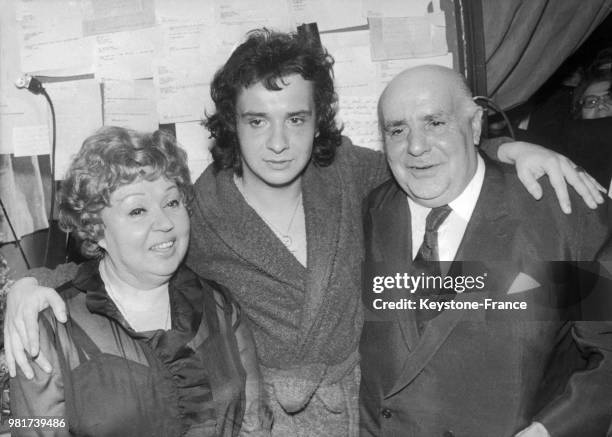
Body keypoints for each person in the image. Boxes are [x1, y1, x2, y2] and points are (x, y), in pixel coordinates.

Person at [4, 30, 607, 436]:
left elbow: (433, 162)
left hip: (367, 416)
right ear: (230, 126)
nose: (277, 142)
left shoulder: (355, 178)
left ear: (319, 122)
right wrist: (29, 285)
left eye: (296, 118)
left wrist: (509, 147)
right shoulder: (196, 205)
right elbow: (119, 246)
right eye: (256, 121)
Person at [359, 65, 612, 437]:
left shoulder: (557, 216)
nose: (415, 146)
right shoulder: (373, 210)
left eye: (435, 123)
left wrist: (550, 430)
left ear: (475, 124)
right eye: (397, 129)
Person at [9, 127, 270, 436]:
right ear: (96, 230)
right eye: (137, 210)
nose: (164, 223)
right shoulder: (48, 330)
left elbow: (254, 422)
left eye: (172, 203)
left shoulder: (220, 307)